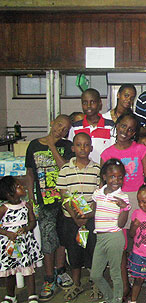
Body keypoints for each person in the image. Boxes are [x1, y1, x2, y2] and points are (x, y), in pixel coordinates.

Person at [100, 112, 146, 300]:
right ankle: (123, 285)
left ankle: (143, 279)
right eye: (123, 126)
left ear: (134, 133)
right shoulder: (107, 154)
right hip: (116, 202)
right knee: (120, 247)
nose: (125, 131)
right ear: (117, 125)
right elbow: (102, 185)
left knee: (139, 244)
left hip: (138, 200)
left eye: (131, 129)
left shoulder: (140, 150)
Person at [25, 114, 74, 301]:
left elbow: (65, 169)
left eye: (65, 129)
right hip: (44, 203)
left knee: (62, 238)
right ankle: (48, 277)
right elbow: (30, 173)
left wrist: (53, 146)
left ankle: (60, 271)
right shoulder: (34, 146)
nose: (60, 130)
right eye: (59, 125)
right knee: (47, 240)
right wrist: (31, 197)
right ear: (52, 122)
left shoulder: (67, 147)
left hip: (63, 201)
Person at [56, 133, 101, 301]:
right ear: (73, 148)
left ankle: (96, 283)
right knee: (74, 251)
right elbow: (63, 194)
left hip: (90, 219)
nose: (82, 148)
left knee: (92, 250)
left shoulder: (97, 169)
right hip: (71, 220)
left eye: (86, 145)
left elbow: (98, 195)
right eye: (78, 145)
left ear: (91, 148)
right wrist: (76, 217)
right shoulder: (65, 169)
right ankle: (76, 284)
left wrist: (90, 214)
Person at [85, 159, 130, 303]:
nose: (116, 180)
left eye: (120, 177)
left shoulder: (123, 197)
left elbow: (121, 224)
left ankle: (117, 299)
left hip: (114, 237)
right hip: (100, 237)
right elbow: (93, 211)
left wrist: (124, 208)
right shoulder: (98, 193)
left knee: (115, 273)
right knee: (96, 274)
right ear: (104, 177)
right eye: (112, 176)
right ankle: (109, 297)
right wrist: (82, 214)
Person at [0, 176, 42, 303]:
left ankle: (32, 295)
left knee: (28, 269)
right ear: (9, 192)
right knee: (10, 271)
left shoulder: (26, 206)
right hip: (10, 244)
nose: (22, 187)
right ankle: (10, 295)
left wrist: (26, 228)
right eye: (18, 186)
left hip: (24, 243)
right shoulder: (4, 208)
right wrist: (7, 233)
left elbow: (32, 222)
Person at [68, 88, 115, 164]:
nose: (88, 106)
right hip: (81, 172)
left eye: (92, 102)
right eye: (85, 103)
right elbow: (71, 152)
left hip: (104, 171)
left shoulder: (111, 126)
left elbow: (114, 152)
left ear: (100, 103)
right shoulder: (75, 128)